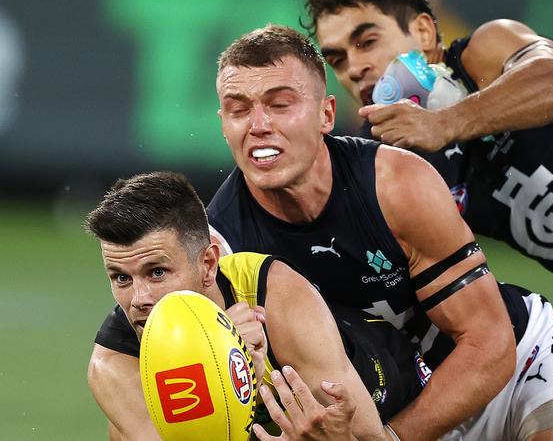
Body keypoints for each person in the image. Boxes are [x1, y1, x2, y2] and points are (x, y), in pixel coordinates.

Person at [205, 24, 553, 440]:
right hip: (385, 410)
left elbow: (489, 343)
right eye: (238, 109)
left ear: (326, 115)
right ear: (222, 124)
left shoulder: (395, 183)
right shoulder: (222, 251)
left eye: (280, 105)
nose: (258, 125)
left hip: (513, 371)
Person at [303, 0, 553, 440]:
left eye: (368, 41)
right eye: (338, 59)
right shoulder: (392, 158)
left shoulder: (484, 53)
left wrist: (444, 123)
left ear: (424, 32)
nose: (356, 66)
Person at [85, 171, 427, 441]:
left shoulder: (272, 292)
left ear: (207, 265)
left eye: (157, 272)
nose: (139, 298)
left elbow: (369, 435)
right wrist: (243, 385)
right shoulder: (115, 366)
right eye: (121, 278)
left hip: (402, 402)